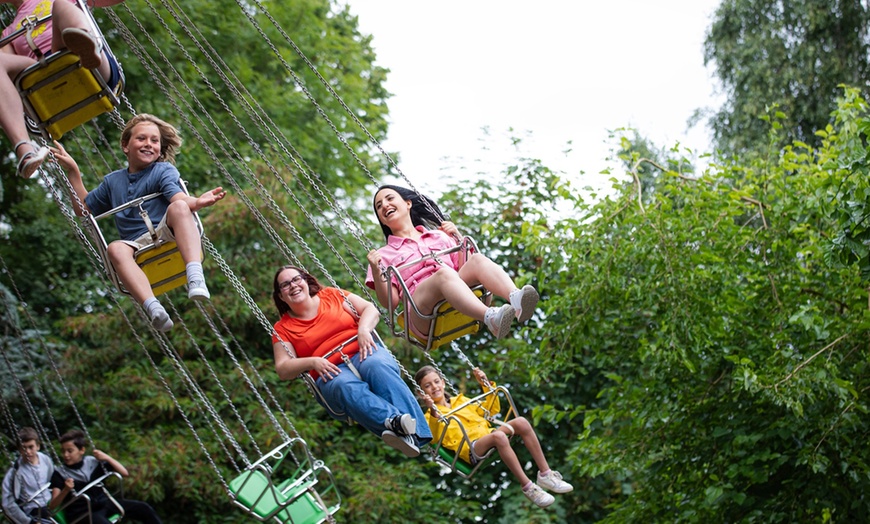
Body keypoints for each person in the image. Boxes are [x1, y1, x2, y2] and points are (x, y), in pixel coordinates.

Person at [51, 114, 226, 332]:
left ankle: (195, 276)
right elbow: (83, 209)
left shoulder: (163, 170)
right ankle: (154, 309)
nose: (148, 144)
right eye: (141, 139)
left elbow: (178, 198)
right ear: (126, 145)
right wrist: (73, 171)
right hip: (136, 246)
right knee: (114, 248)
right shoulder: (113, 182)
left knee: (180, 208)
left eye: (154, 141)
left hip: (166, 232)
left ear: (160, 149)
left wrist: (197, 202)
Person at [271, 264, 432, 458]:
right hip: (329, 369)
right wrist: (312, 362)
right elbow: (283, 368)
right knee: (344, 385)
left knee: (377, 365)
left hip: (362, 350)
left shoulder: (331, 295)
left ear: (305, 281)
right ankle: (395, 421)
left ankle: (409, 432)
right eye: (285, 285)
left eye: (296, 279)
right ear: (281, 296)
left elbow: (370, 309)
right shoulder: (283, 329)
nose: (293, 286)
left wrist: (363, 329)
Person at [366, 184, 539, 341]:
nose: (385, 205)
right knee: (444, 273)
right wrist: (376, 270)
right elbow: (391, 302)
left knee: (476, 259)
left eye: (389, 198)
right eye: (379, 206)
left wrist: (458, 238)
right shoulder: (383, 255)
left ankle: (516, 298)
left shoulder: (439, 236)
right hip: (422, 310)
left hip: (452, 286)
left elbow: (464, 268)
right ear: (381, 219)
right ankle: (490, 317)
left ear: (408, 203)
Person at [415, 366, 573, 509]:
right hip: (471, 449)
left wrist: (485, 384)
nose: (434, 387)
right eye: (427, 386)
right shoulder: (428, 418)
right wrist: (434, 411)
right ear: (422, 393)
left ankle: (546, 475)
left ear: (442, 383)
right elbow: (433, 437)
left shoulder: (460, 401)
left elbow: (491, 410)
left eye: (436, 382)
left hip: (488, 435)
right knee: (498, 436)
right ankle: (529, 488)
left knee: (522, 422)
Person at [1, 0, 125, 178]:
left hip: (76, 58)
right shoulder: (9, 32)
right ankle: (24, 148)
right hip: (41, 76)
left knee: (60, 3)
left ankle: (85, 42)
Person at [49, 430, 161, 524]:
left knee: (144, 508)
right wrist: (66, 490)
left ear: (81, 450)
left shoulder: (93, 463)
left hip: (104, 504)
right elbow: (53, 505)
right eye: (63, 451)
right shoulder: (60, 473)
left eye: (70, 451)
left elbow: (124, 473)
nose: (66, 455)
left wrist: (107, 458)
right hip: (83, 513)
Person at [1, 427, 54, 523]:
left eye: (31, 447)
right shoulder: (15, 472)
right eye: (23, 448)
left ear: (38, 446)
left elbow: (52, 479)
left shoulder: (45, 460)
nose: (27, 452)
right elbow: (7, 503)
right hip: (33, 510)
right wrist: (27, 521)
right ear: (19, 449)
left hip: (51, 503)